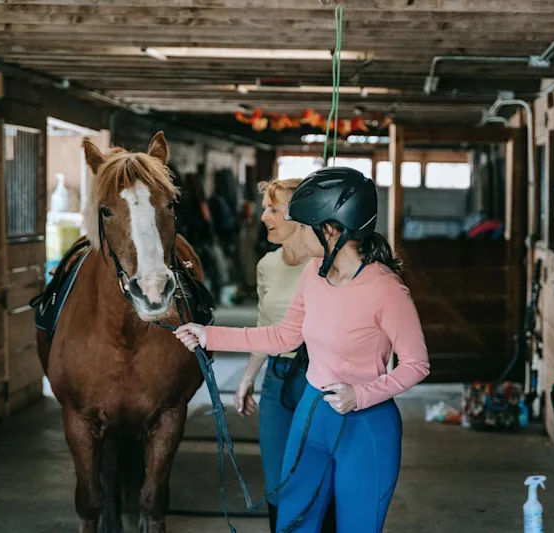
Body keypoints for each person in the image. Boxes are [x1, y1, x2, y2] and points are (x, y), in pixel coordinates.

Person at [175, 167, 430, 533]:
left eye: (304, 223)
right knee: (294, 524)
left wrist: (360, 395)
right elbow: (284, 337)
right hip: (312, 414)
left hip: (365, 424)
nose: (296, 229)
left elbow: (416, 364)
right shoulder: (314, 273)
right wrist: (208, 335)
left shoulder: (386, 289)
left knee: (357, 528)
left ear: (329, 230)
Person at [233, 178, 336, 532]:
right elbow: (267, 324)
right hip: (278, 378)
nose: (263, 216)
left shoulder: (331, 264)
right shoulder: (268, 264)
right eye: (265, 208)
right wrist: (248, 377)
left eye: (273, 209)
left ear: (300, 215)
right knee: (278, 479)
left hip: (323, 379)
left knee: (322, 476)